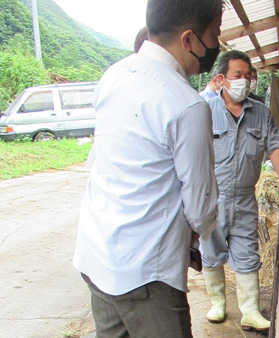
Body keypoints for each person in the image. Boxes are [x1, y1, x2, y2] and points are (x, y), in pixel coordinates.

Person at [72, 0, 223, 337]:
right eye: (214, 33)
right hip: (146, 275)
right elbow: (200, 208)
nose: (217, 43)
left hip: (97, 255)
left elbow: (99, 160)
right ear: (189, 40)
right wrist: (200, 232)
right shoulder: (187, 105)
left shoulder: (114, 74)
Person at [201, 50, 279, 331]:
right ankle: (217, 304)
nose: (244, 81)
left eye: (248, 76)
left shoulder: (260, 113)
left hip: (246, 197)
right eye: (237, 75)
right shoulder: (204, 112)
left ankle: (250, 311)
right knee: (211, 250)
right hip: (213, 197)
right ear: (221, 79)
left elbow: (275, 145)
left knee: (247, 253)